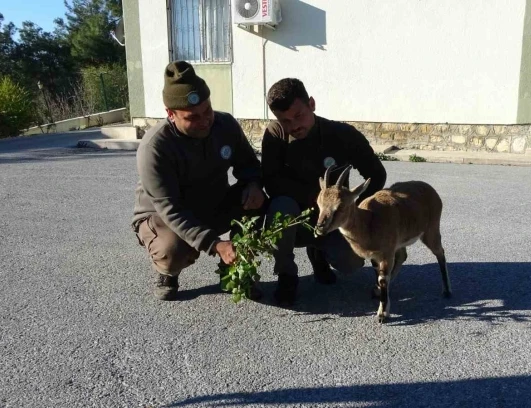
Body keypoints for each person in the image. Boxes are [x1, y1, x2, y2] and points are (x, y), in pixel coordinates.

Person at [132, 61, 266, 301]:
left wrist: (254, 185)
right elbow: (170, 209)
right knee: (173, 249)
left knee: (260, 202)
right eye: (192, 117)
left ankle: (235, 265)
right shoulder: (155, 148)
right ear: (170, 114)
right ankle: (167, 272)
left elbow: (249, 166)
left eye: (208, 111)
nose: (205, 121)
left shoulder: (225, 125)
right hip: (163, 216)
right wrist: (215, 244)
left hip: (212, 203)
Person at [261, 78, 387, 305]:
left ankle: (318, 253)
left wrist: (357, 211)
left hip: (335, 217)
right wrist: (314, 200)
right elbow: (271, 181)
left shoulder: (343, 135)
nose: (294, 126)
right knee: (280, 206)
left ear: (311, 104)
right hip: (297, 218)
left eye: (298, 116)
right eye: (285, 120)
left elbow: (376, 175)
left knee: (352, 263)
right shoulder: (275, 134)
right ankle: (286, 274)